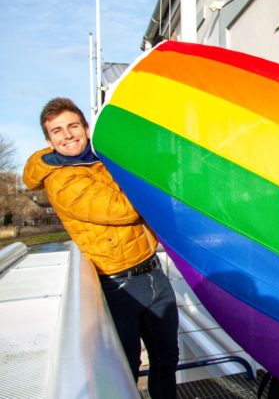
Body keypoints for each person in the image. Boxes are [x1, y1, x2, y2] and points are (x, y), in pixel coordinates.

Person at [22, 97, 179, 398]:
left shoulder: (97, 158)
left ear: (86, 128)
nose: (67, 135)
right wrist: (153, 177)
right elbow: (124, 209)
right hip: (119, 285)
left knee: (166, 359)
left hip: (152, 272)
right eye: (57, 131)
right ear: (49, 142)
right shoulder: (62, 180)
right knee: (126, 370)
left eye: (72, 126)